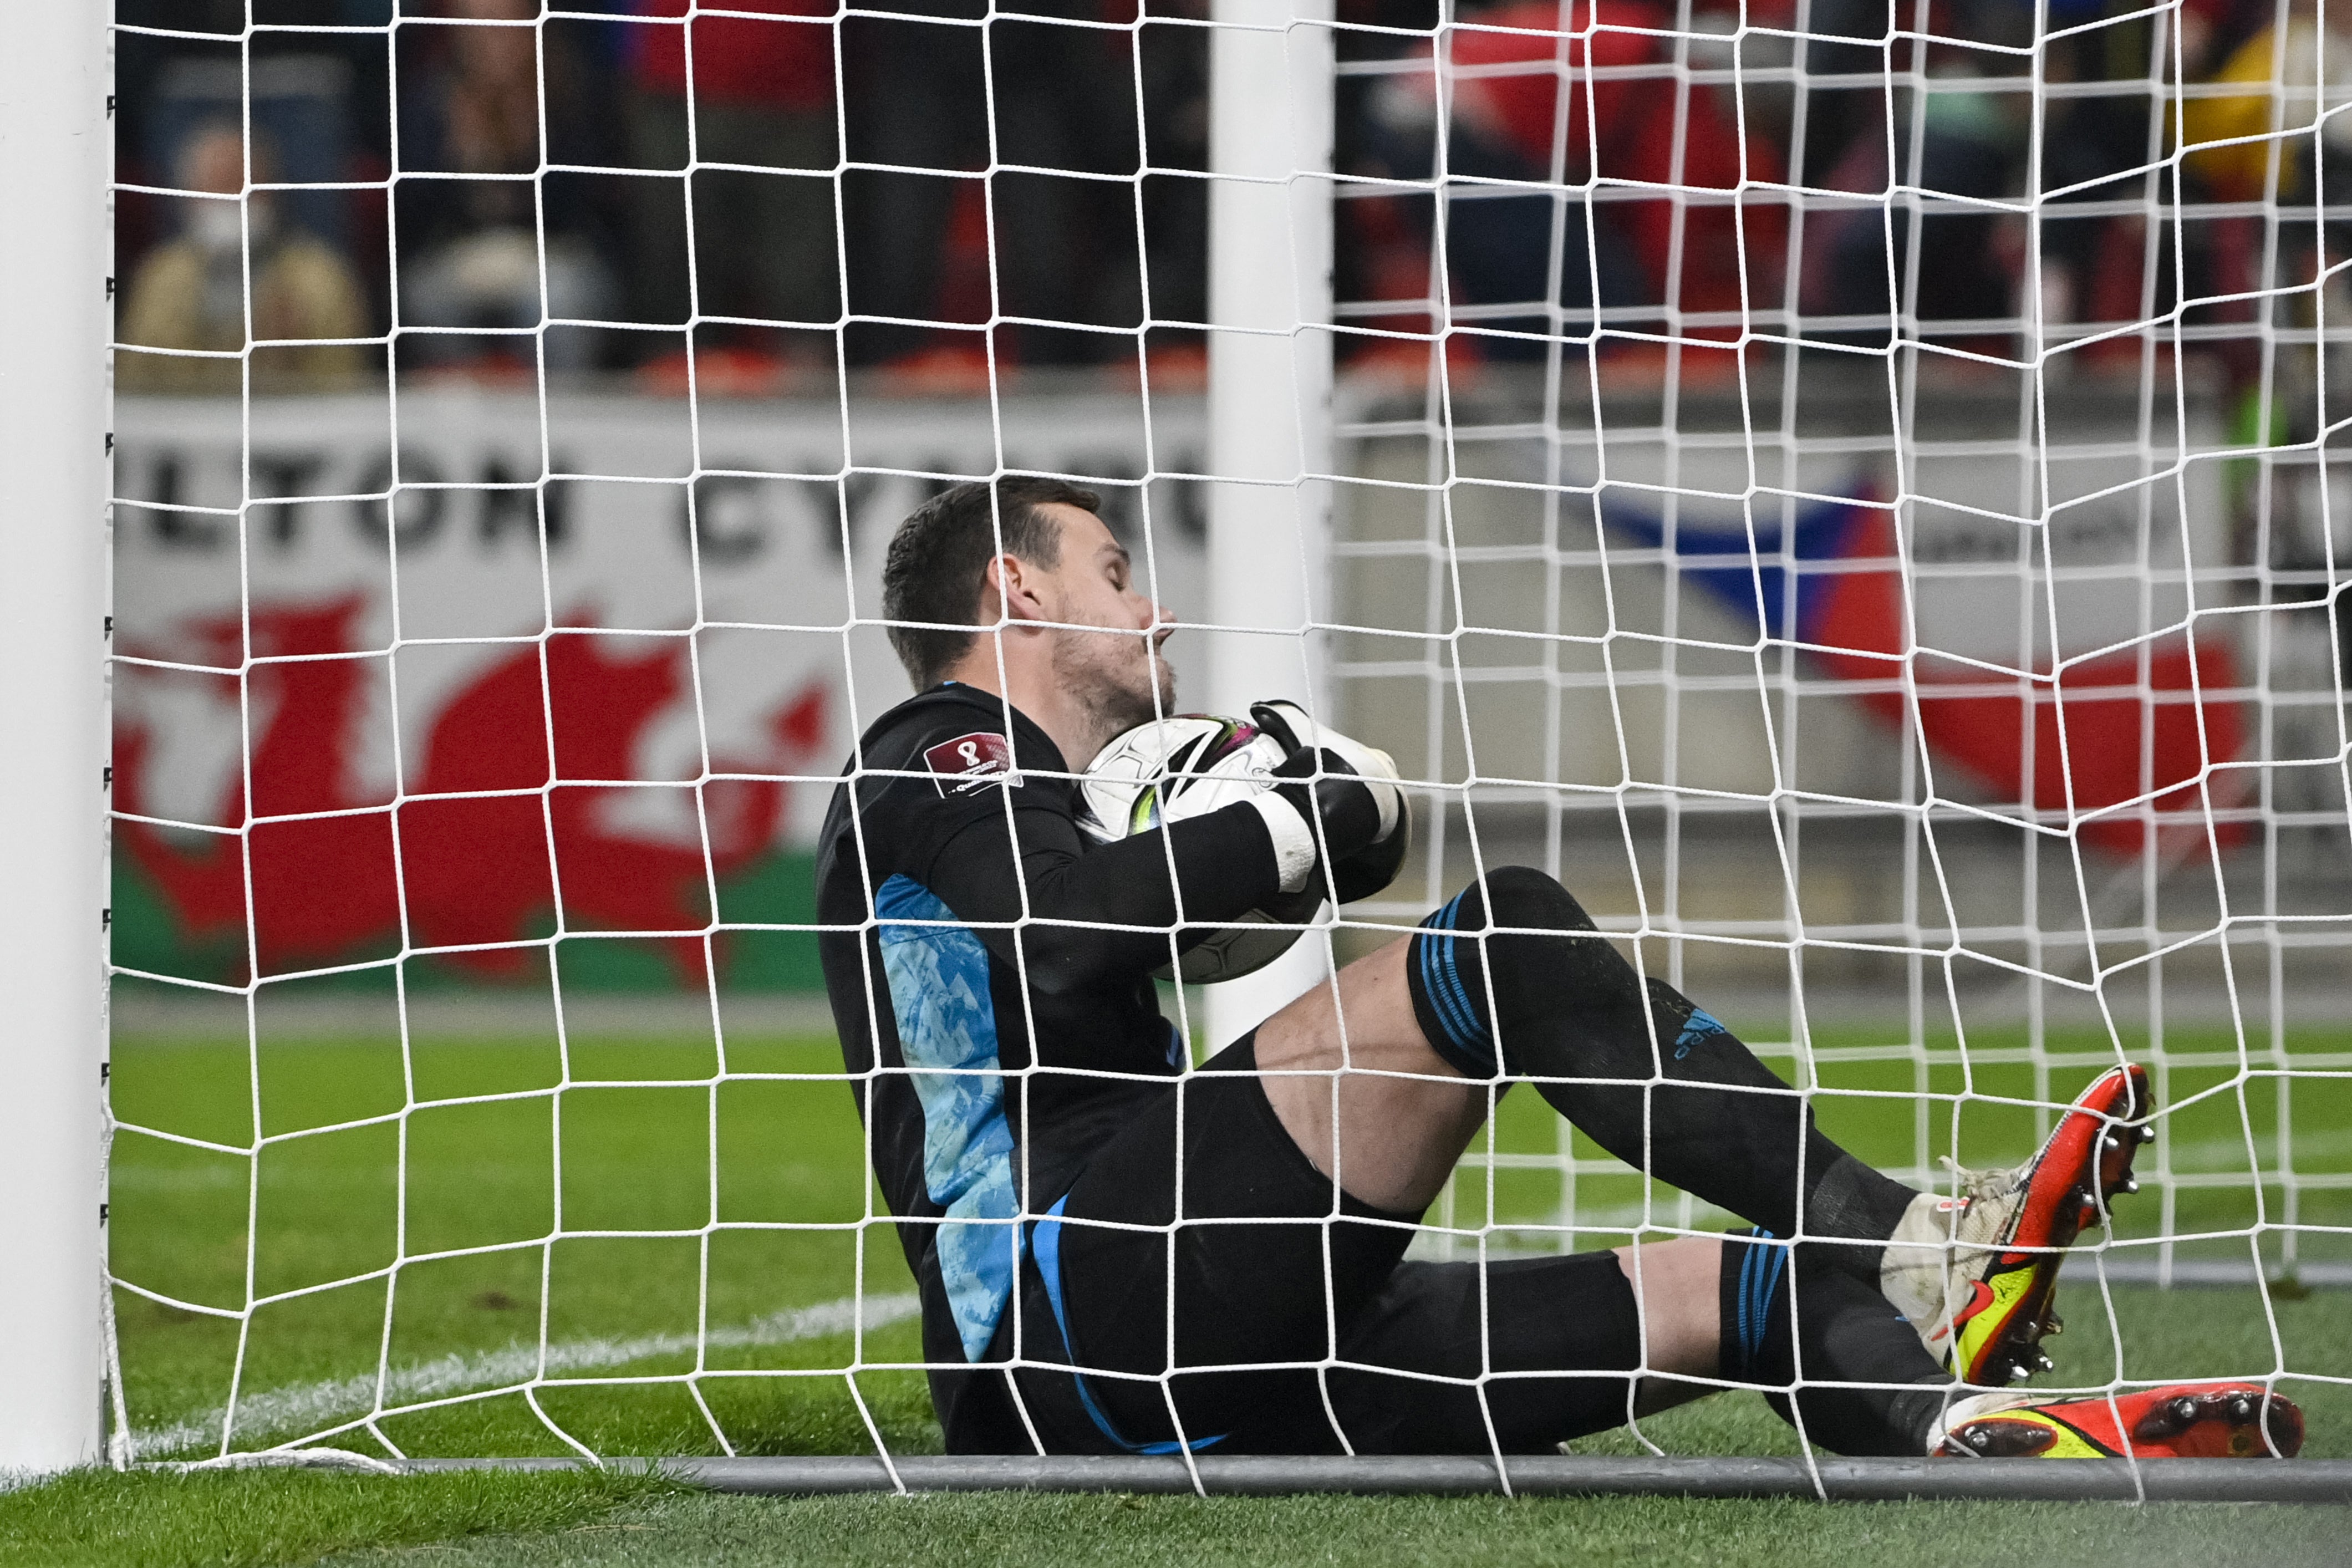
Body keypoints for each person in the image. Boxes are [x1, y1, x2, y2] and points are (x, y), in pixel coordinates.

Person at [814, 475, 2307, 1462]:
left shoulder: (1032, 798)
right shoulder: (934, 752)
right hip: (1064, 1323)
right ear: (1015, 590)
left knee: (1754, 1292)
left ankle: (1987, 1432)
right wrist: (1306, 815)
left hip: (1202, 1348)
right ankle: (1924, 1240)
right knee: (1504, 936)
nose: (1156, 608)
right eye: (1118, 571)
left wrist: (1305, 828)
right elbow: (1073, 924)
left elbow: (1098, 916)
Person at [119, 121, 370, 395]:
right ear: (188, 198)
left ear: (270, 192)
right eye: (217, 187)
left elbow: (347, 388)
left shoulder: (320, 277)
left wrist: (289, 351)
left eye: (242, 186)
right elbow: (132, 385)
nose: (231, 201)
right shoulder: (161, 277)